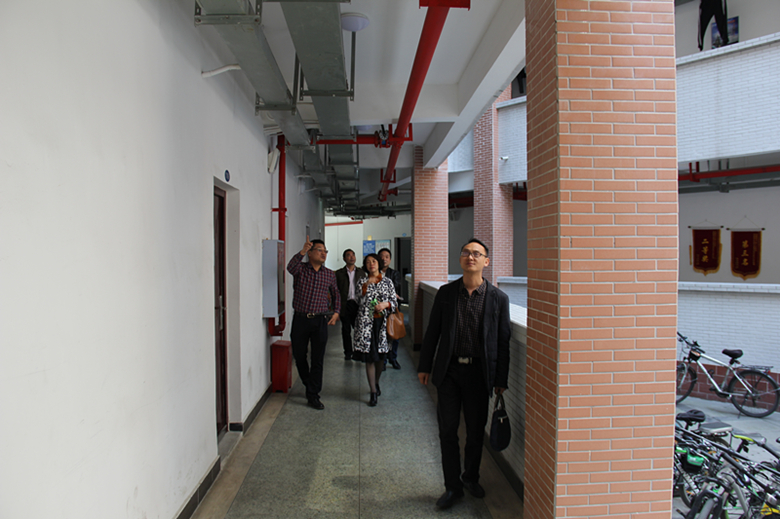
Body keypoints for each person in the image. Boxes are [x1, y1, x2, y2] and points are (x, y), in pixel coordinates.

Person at [417, 238, 510, 510]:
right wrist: (424, 365)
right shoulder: (446, 293)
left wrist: (500, 380)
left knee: (475, 432)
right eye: (466, 253)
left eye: (477, 254)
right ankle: (452, 487)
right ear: (460, 259)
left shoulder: (498, 299)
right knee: (447, 430)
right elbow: (433, 332)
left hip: (479, 374)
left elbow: (502, 342)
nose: (471, 257)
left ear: (486, 261)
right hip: (449, 371)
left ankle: (470, 477)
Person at [286, 236, 340, 410]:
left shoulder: (329, 274)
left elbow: (336, 294)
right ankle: (309, 382)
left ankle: (313, 394)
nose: (323, 253)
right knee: (299, 355)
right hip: (301, 319)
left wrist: (336, 312)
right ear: (310, 253)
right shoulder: (301, 270)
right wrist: (302, 251)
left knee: (317, 358)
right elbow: (289, 267)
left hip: (320, 321)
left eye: (325, 251)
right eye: (319, 250)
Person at [353, 253, 397, 406]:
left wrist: (386, 304)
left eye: (374, 261)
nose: (371, 264)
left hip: (382, 325)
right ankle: (373, 391)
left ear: (378, 263)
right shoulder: (361, 282)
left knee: (380, 357)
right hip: (366, 325)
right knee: (370, 358)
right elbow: (358, 301)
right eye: (368, 262)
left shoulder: (388, 282)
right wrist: (366, 286)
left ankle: (376, 382)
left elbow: (394, 302)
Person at [335, 249, 365, 361]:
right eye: (348, 255)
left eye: (353, 255)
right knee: (346, 330)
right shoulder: (339, 273)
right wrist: (336, 309)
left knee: (358, 329)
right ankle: (348, 352)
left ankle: (358, 351)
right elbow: (336, 291)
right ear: (344, 259)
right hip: (345, 304)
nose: (352, 257)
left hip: (357, 304)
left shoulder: (361, 272)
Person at [377, 247, 403, 369]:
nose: (384, 259)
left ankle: (393, 358)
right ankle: (383, 361)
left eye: (387, 257)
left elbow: (396, 286)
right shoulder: (374, 273)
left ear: (390, 259)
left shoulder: (395, 273)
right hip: (378, 310)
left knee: (394, 335)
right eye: (381, 257)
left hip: (392, 309)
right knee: (381, 336)